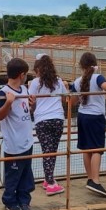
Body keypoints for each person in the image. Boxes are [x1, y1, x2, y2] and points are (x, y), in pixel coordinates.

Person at [70, 52, 106, 197]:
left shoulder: (77, 81)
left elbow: (73, 102)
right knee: (97, 149)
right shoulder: (97, 77)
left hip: (82, 116)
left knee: (86, 149)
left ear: (81, 65)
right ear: (95, 64)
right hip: (95, 117)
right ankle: (96, 180)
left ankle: (89, 179)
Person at [0, 58, 36, 210]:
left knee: (26, 174)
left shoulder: (24, 90)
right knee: (13, 175)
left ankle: (24, 199)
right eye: (26, 74)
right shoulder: (4, 92)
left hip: (27, 140)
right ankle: (9, 200)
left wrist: (33, 106)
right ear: (21, 74)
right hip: (13, 143)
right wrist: (7, 103)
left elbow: (27, 112)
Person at [27, 53, 67, 196]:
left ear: (38, 69)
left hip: (42, 120)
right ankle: (49, 180)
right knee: (52, 151)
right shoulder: (58, 81)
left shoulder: (35, 83)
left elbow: (31, 101)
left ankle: (49, 181)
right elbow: (64, 99)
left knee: (47, 151)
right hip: (57, 118)